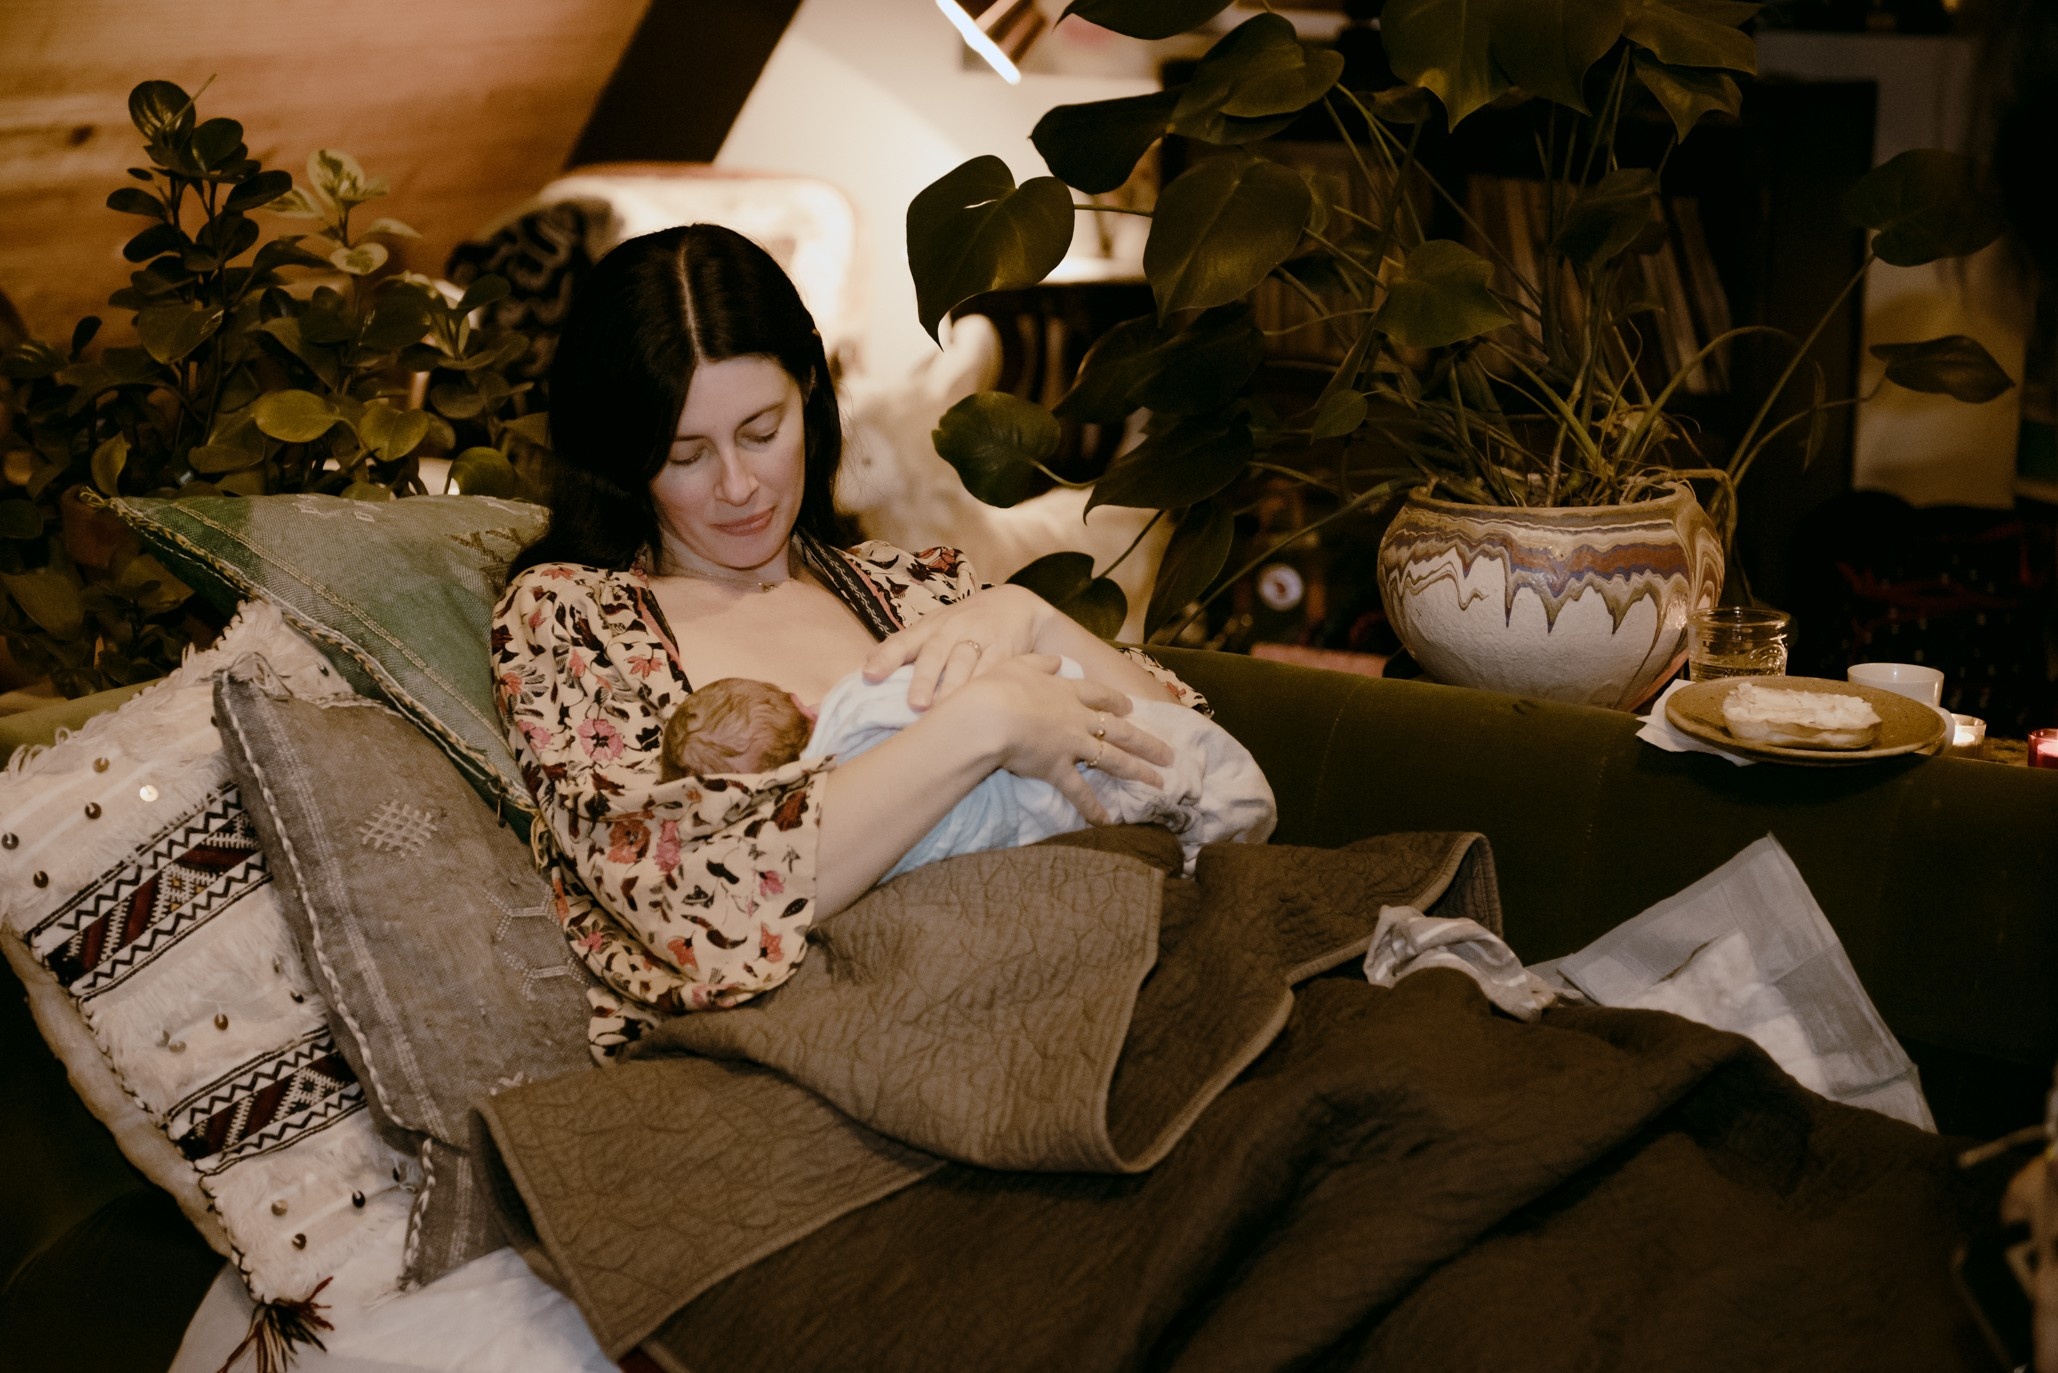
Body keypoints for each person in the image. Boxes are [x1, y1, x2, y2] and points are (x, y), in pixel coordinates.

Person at [492, 223, 1189, 1057]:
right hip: (834, 1047)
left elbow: (1192, 768)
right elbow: (702, 906)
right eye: (685, 455)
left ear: (811, 393)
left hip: (1079, 967)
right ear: (624, 455)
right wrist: (984, 723)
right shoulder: (573, 619)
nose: (738, 486)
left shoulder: (915, 586)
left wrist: (1032, 617)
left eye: (762, 431)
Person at [662, 660, 1276, 880]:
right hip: (1070, 804)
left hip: (1073, 751)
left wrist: (1024, 618)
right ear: (803, 704)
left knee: (1140, 772)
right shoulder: (855, 697)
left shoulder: (864, 703)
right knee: (1171, 777)